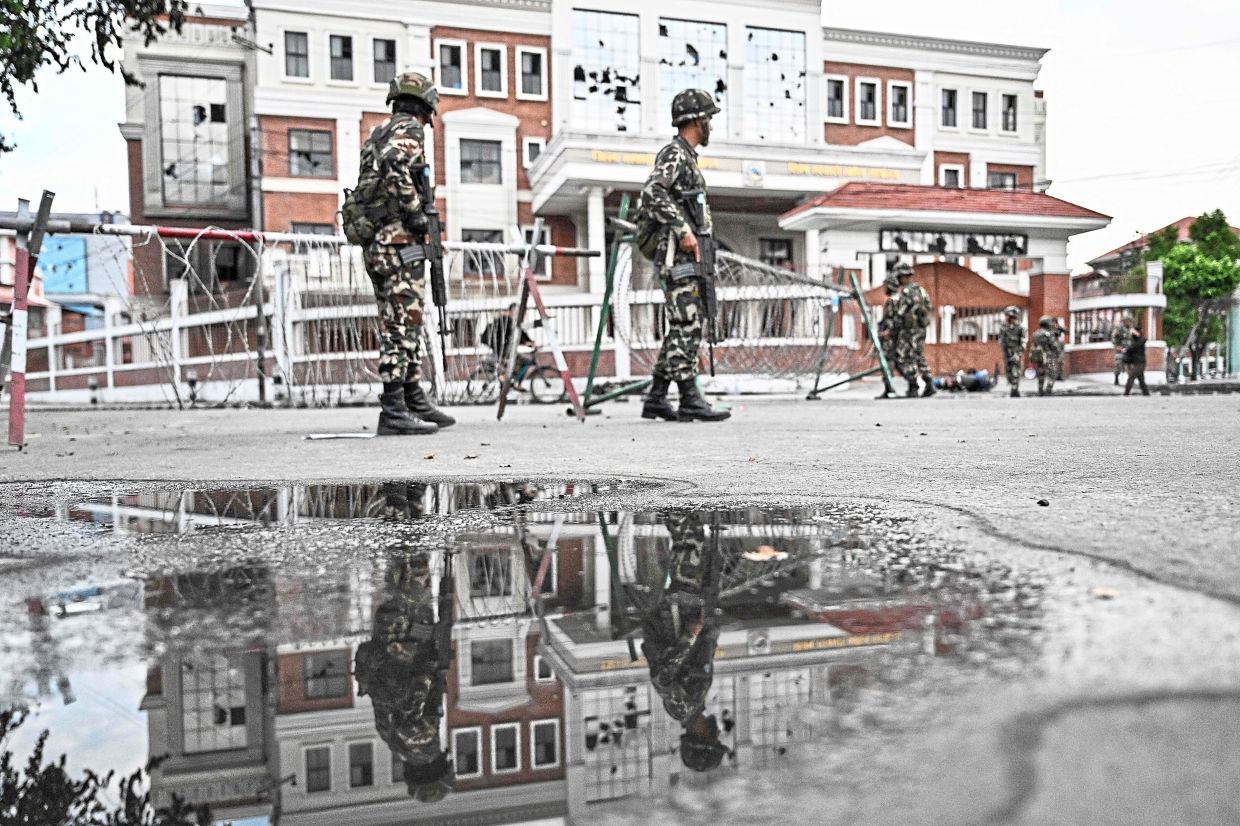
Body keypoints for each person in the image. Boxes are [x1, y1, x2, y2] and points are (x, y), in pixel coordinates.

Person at [356, 72, 455, 435]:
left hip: (379, 243)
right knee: (402, 322)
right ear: (426, 106)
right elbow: (395, 166)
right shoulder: (407, 131)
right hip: (398, 243)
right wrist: (416, 214)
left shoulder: (377, 134)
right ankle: (394, 409)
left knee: (403, 317)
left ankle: (412, 397)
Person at [639, 88, 729, 423]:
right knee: (687, 324)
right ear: (695, 121)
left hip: (689, 256)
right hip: (679, 257)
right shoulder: (675, 153)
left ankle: (657, 398)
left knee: (683, 323)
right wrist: (684, 230)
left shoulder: (687, 157)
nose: (711, 126)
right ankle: (690, 398)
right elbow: (652, 191)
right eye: (708, 118)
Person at [354, 550, 456, 802]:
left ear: (434, 770)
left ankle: (405, 519)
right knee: (395, 562)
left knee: (414, 558)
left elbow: (413, 709)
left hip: (409, 635)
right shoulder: (391, 742)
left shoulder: (424, 748)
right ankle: (396, 516)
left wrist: (430, 671)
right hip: (388, 637)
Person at [641, 511, 731, 773]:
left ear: (701, 737)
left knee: (689, 542)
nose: (718, 732)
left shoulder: (681, 708)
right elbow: (704, 654)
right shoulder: (695, 703)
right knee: (692, 541)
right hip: (692, 604)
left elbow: (661, 676)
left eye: (713, 737)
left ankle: (667, 501)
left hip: (680, 609)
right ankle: (672, 505)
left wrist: (689, 635)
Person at [893, 264, 935, 397]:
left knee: (906, 357)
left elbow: (901, 312)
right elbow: (928, 306)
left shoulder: (906, 292)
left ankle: (913, 386)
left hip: (909, 330)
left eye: (900, 277)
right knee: (918, 355)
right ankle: (929, 383)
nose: (898, 280)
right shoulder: (921, 290)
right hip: (921, 329)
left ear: (904, 277)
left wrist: (895, 326)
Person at [481, 303, 535, 385]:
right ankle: (509, 380)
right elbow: (517, 333)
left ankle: (509, 380)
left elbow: (519, 331)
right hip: (501, 349)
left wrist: (528, 341)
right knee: (521, 360)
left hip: (500, 348)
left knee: (515, 362)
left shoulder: (508, 319)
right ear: (513, 311)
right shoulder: (507, 319)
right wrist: (526, 342)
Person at [875, 275, 901, 399]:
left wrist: (887, 332)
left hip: (889, 338)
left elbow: (893, 320)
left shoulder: (892, 301)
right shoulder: (897, 299)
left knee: (888, 361)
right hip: (892, 336)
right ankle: (888, 387)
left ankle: (889, 387)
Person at [1030, 315, 1063, 396]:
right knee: (1053, 373)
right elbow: (1054, 345)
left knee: (1041, 374)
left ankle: (1040, 390)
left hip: (1039, 357)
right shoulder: (1049, 334)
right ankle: (1048, 390)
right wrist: (1058, 352)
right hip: (1049, 356)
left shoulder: (1035, 334)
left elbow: (1033, 344)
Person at [998, 306, 1026, 397]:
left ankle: (1014, 389)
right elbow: (1001, 340)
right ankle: (1013, 386)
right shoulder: (1004, 327)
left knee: (1015, 371)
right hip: (1007, 353)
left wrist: (1019, 354)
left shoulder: (1020, 328)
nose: (1006, 317)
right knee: (1008, 372)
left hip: (1016, 352)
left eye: (1007, 315)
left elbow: (1023, 342)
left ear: (1013, 316)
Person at [1123, 327, 1150, 396]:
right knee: (1141, 379)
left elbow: (1133, 347)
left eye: (1134, 332)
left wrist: (1126, 350)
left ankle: (1126, 393)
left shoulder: (1141, 340)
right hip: (1136, 362)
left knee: (1131, 376)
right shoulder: (1135, 340)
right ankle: (1146, 393)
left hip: (1140, 362)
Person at [1111, 314, 1136, 386]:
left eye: (1130, 321)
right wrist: (1117, 346)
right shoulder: (1119, 329)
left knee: (1132, 365)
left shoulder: (1132, 329)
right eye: (1127, 321)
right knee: (1118, 364)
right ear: (1124, 321)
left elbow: (1135, 339)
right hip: (1121, 349)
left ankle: (1131, 380)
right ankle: (1116, 379)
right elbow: (1114, 338)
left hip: (1130, 349)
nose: (1129, 322)